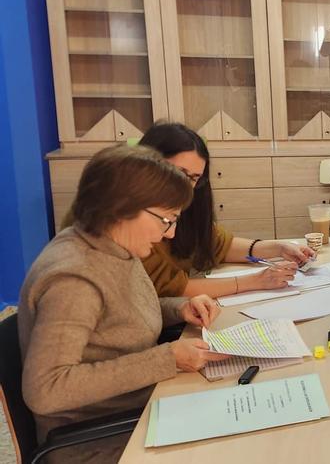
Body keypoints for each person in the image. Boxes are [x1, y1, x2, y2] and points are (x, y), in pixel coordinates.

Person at [19, 145, 229, 464]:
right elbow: (46, 389)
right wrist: (164, 359)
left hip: (139, 408)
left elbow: (117, 312)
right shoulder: (74, 280)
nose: (170, 233)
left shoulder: (114, 246)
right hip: (95, 439)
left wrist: (178, 308)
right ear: (122, 208)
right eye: (166, 220)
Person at [138, 123, 314, 300]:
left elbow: (218, 244)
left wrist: (278, 247)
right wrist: (256, 280)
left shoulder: (185, 210)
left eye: (193, 178)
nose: (184, 186)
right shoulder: (132, 222)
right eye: (179, 173)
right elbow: (170, 289)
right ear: (147, 165)